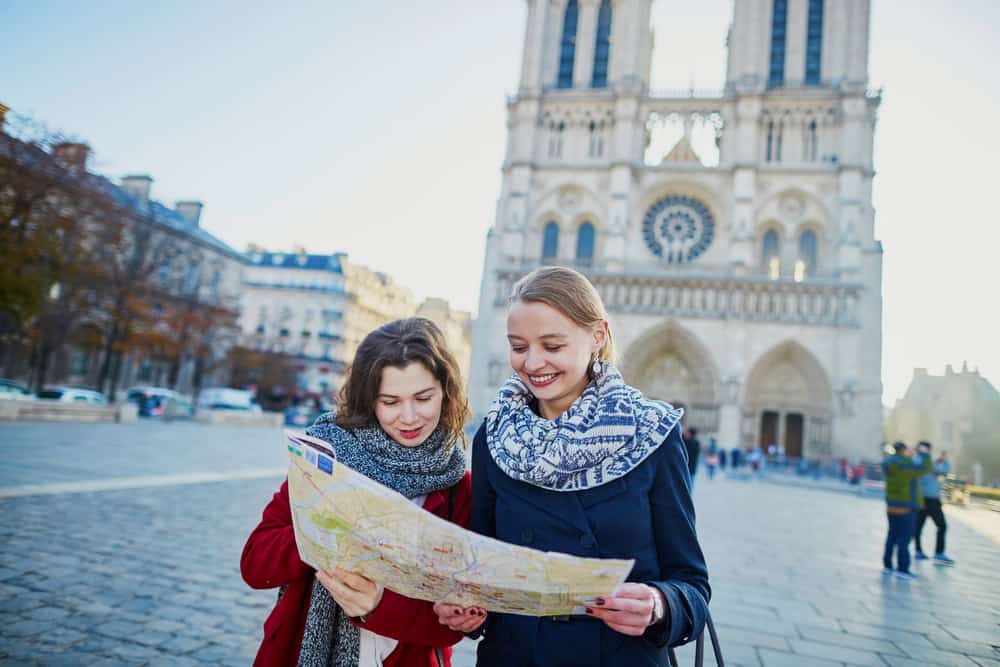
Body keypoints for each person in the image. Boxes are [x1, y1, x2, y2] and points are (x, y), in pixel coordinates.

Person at [435, 266, 710, 666]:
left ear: (597, 336)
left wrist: (659, 603)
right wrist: (465, 610)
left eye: (552, 345)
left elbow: (692, 585)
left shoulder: (651, 433)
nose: (532, 362)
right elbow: (485, 574)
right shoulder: (494, 440)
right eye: (518, 346)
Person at [241, 318, 474, 667]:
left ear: (446, 391)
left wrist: (377, 606)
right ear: (369, 401)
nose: (409, 417)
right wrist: (328, 529)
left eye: (423, 398)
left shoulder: (458, 485)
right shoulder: (326, 460)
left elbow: (448, 629)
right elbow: (256, 564)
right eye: (390, 401)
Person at [881, 441, 932, 580]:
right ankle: (903, 569)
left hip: (891, 506)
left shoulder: (888, 463)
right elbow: (926, 468)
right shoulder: (906, 464)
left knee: (892, 536)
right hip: (907, 507)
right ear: (903, 450)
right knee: (904, 538)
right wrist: (924, 453)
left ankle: (887, 566)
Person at [914, 442, 954, 564]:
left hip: (920, 499)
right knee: (942, 525)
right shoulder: (928, 462)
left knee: (918, 527)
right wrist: (945, 460)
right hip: (931, 500)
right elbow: (944, 470)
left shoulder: (916, 461)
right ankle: (939, 553)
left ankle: (918, 551)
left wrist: (937, 462)